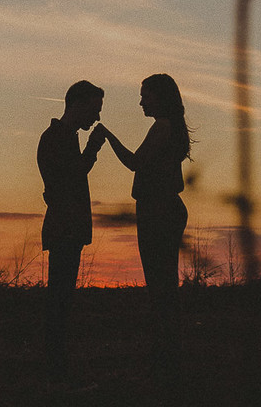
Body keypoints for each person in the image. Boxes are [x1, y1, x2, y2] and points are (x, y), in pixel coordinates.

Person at [96, 73, 192, 371]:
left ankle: (166, 353)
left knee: (160, 284)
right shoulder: (171, 127)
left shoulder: (161, 127)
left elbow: (136, 162)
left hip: (158, 210)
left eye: (145, 96)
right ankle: (168, 350)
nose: (141, 102)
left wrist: (108, 137)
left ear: (160, 98)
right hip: (164, 208)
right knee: (165, 283)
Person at [36, 79, 107, 382]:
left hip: (67, 229)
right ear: (77, 104)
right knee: (59, 301)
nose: (97, 117)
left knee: (62, 299)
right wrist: (94, 147)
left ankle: (57, 368)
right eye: (94, 109)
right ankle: (56, 370)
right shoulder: (57, 138)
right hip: (64, 229)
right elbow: (71, 177)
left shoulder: (63, 137)